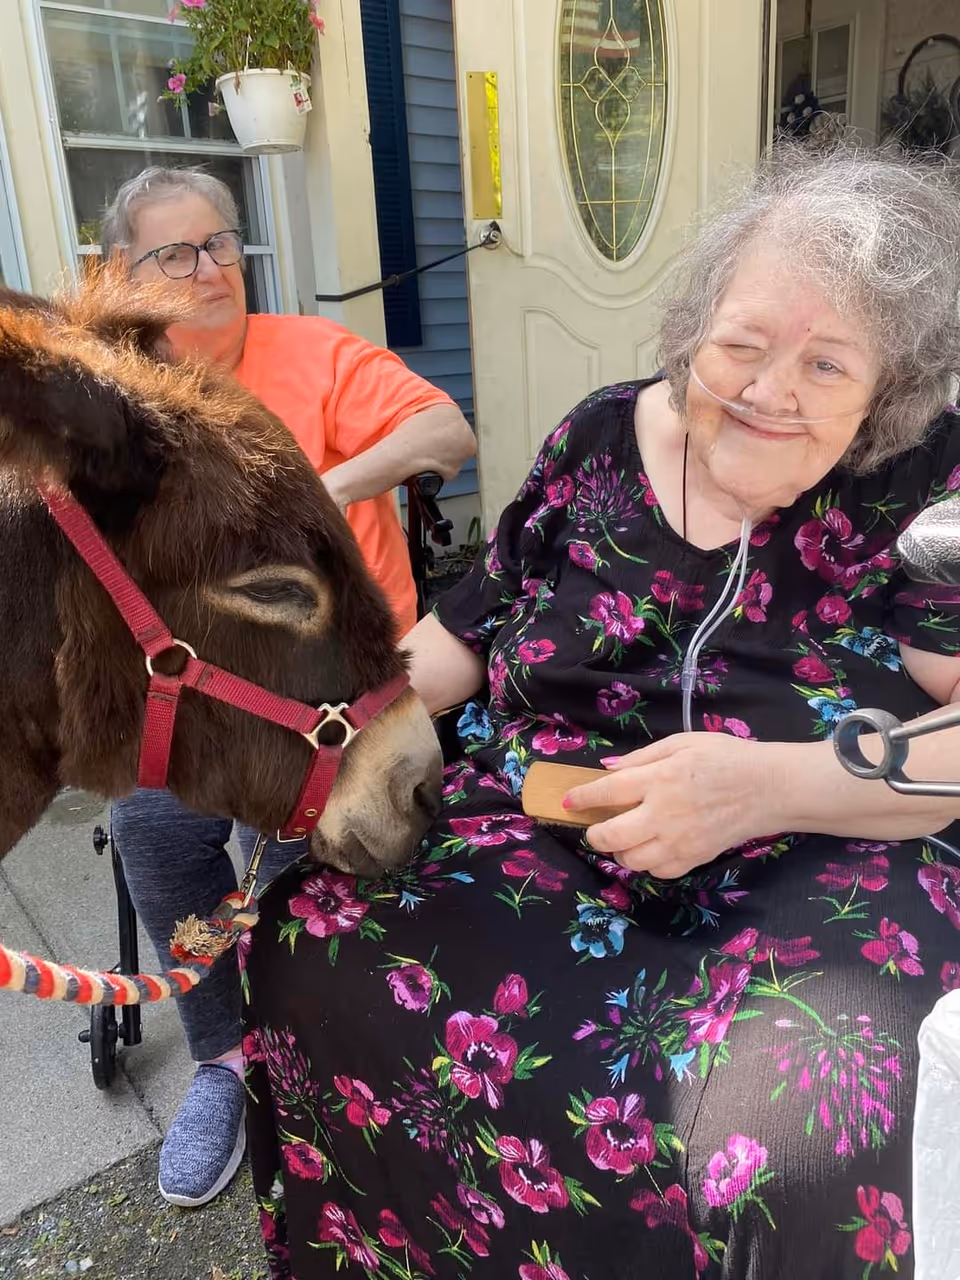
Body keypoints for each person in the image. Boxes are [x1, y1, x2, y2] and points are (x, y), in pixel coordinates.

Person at [240, 146, 960, 1279]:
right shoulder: (596, 439)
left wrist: (765, 783)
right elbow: (458, 638)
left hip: (821, 844)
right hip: (545, 812)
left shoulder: (923, 482)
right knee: (309, 936)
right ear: (692, 327)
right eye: (744, 343)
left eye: (829, 363)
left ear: (891, 387)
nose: (771, 390)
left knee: (801, 1128)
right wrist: (309, 719)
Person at [101, 166, 475, 1208]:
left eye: (221, 243)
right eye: (173, 253)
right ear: (121, 276)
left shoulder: (311, 353)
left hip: (345, 689)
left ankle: (335, 1041)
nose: (208, 268)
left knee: (321, 875)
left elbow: (448, 431)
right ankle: (224, 1054)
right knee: (155, 829)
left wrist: (322, 487)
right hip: (202, 695)